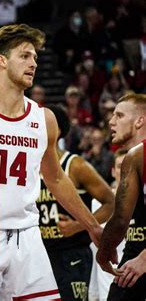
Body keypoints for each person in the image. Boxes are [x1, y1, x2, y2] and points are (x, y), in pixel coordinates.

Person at [0, 24, 102, 300]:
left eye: (35, 58)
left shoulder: (44, 118)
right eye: (25, 56)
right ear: (2, 61)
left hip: (27, 236)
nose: (33, 64)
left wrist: (91, 225)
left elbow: (54, 178)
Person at [36, 105, 114, 300]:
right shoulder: (29, 164)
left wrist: (79, 225)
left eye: (39, 123)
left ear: (57, 130)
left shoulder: (75, 165)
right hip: (39, 254)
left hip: (72, 253)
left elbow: (111, 203)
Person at [96, 93, 146, 300]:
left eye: (119, 115)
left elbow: (119, 220)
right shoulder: (133, 157)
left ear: (139, 121)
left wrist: (104, 252)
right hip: (135, 253)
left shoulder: (136, 156)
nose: (111, 121)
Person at [89, 149, 127, 301]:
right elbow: (93, 252)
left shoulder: (142, 204)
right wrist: (92, 294)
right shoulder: (96, 204)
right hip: (105, 290)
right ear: (112, 171)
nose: (124, 171)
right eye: (119, 166)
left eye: (128, 166)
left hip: (134, 285)